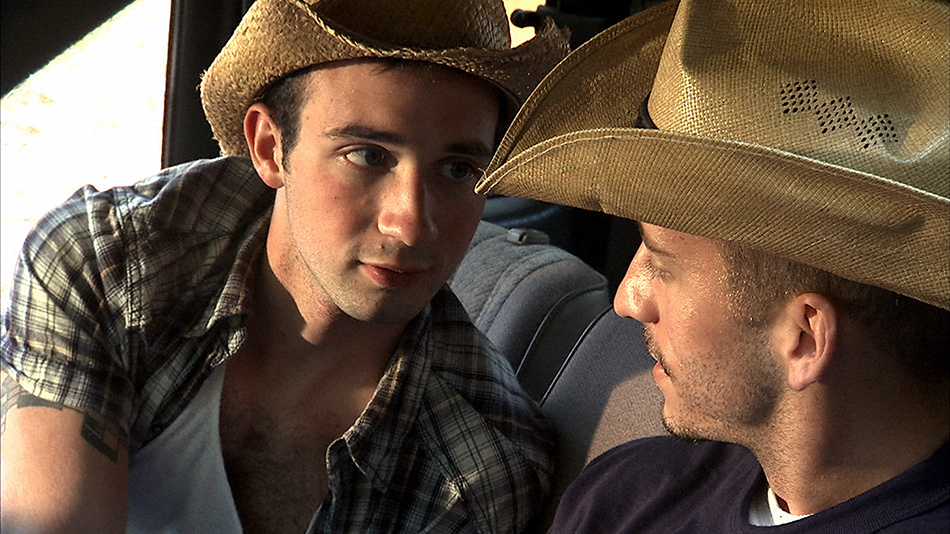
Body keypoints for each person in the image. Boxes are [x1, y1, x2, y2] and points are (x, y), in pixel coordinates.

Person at [0, 0, 569, 532]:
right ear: (270, 147)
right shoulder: (109, 263)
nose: (412, 225)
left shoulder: (479, 472)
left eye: (459, 170)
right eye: (367, 156)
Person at [475, 0, 949, 532]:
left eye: (661, 262)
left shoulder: (636, 499)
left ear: (804, 337)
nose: (627, 300)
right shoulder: (624, 493)